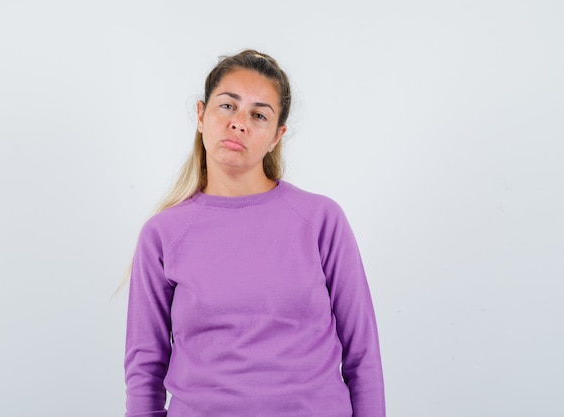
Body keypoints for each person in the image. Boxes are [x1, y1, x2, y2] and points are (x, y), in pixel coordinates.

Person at [124, 49, 385, 417]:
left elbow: (363, 355)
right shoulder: (163, 234)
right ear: (201, 115)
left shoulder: (321, 220)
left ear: (277, 136)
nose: (239, 123)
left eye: (258, 114)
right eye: (228, 106)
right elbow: (145, 368)